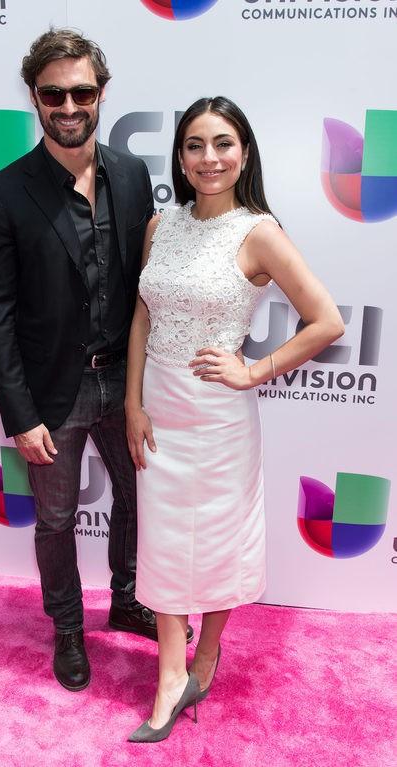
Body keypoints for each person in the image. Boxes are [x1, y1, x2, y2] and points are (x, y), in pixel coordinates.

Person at [0, 28, 193, 694]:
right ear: (35, 97)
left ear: (102, 93)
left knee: (137, 498)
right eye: (53, 93)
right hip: (53, 393)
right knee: (57, 518)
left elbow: (146, 286)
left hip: (125, 381)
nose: (68, 105)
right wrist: (21, 412)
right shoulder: (3, 193)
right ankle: (68, 625)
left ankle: (127, 597)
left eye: (82, 91)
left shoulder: (132, 174)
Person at [125, 96, 345, 741]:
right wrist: (134, 402)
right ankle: (170, 675)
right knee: (163, 543)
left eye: (223, 143)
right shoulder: (161, 225)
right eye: (195, 145)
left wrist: (255, 369)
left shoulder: (259, 231)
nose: (209, 157)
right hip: (160, 408)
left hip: (220, 417)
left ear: (243, 153)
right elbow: (143, 314)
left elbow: (327, 320)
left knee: (218, 541)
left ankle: (207, 656)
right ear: (181, 157)